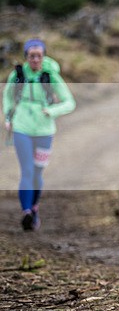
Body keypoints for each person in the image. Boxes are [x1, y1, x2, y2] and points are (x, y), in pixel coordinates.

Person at [3, 38, 76, 231]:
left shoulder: (50, 76)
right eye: (31, 56)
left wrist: (52, 111)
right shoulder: (17, 75)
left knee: (37, 173)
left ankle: (34, 208)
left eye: (39, 56)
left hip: (45, 130)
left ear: (43, 56)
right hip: (22, 128)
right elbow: (8, 97)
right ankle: (26, 211)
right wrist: (8, 117)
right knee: (26, 171)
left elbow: (69, 103)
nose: (35, 59)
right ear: (26, 57)